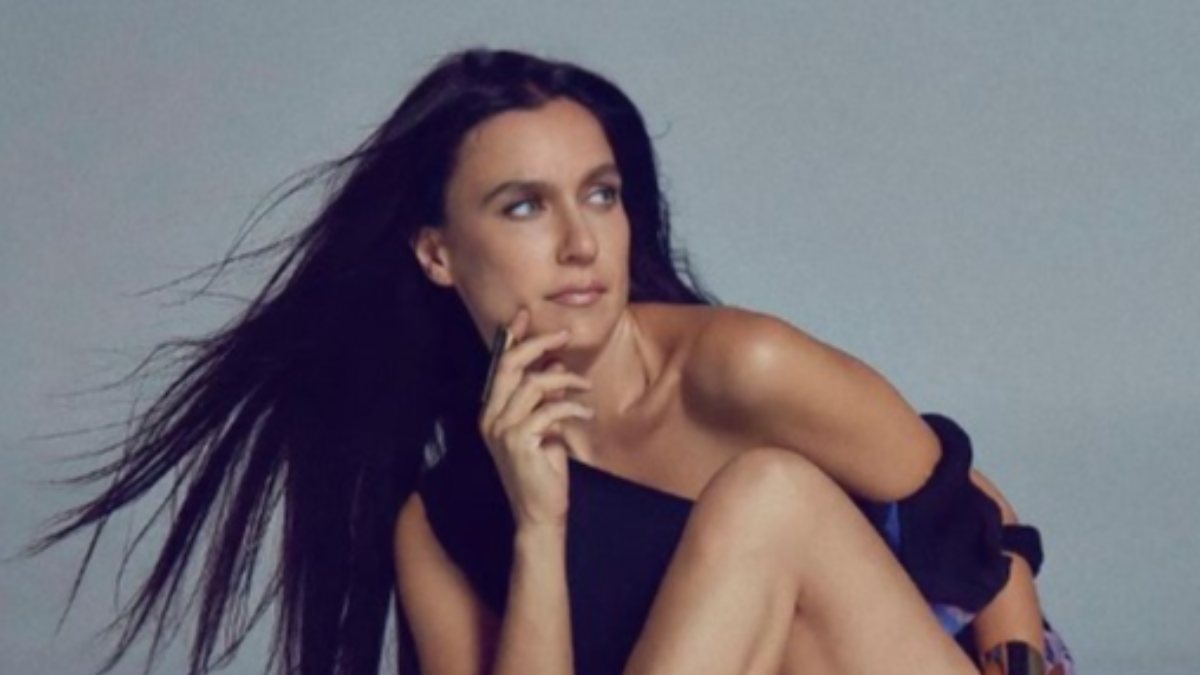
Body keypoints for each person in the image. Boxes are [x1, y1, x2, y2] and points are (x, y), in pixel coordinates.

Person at [31, 47, 1073, 675]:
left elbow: (976, 516)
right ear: (438, 253)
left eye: (601, 195)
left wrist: (1019, 662)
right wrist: (540, 527)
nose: (581, 243)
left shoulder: (740, 369)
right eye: (524, 206)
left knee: (770, 496)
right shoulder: (444, 522)